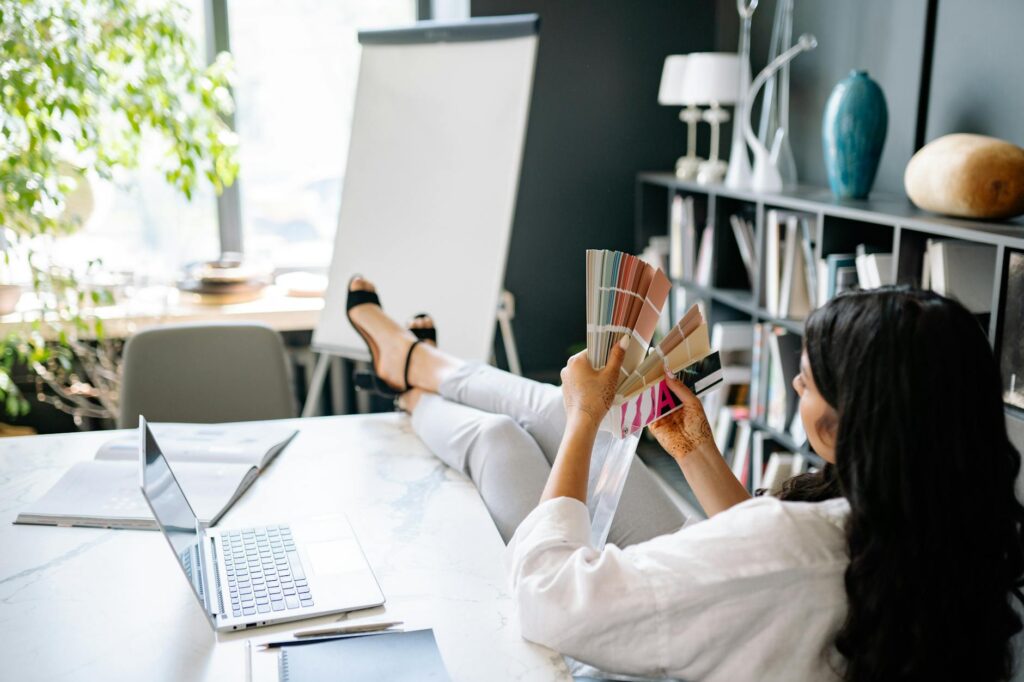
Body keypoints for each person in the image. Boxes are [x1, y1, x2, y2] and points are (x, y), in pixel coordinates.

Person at [348, 278, 1024, 682]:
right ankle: (415, 369)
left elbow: (547, 597)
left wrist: (586, 419)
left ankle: (411, 385)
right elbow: (773, 561)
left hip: (681, 626)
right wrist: (695, 446)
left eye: (810, 380)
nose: (794, 380)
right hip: (749, 607)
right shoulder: (951, 531)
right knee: (545, 414)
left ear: (860, 419)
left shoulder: (792, 548)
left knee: (510, 435)